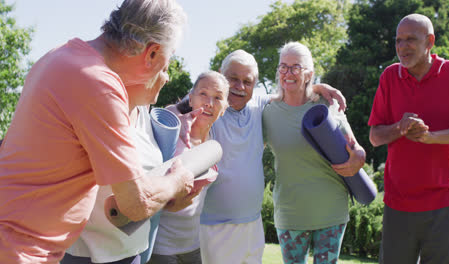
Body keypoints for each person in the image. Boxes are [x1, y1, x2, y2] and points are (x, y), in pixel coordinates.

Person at [0, 1, 195, 263]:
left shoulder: (61, 57)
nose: (166, 75)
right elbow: (135, 203)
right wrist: (176, 182)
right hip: (21, 251)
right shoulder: (99, 83)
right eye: (166, 62)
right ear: (151, 53)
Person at [198, 49, 347, 264]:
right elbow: (183, 106)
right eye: (233, 79)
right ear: (220, 75)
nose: (240, 87)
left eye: (247, 82)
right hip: (215, 226)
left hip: (253, 225)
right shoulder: (206, 107)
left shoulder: (260, 106)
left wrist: (318, 86)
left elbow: (292, 92)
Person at [368, 14, 449, 264]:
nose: (402, 47)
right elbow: (375, 137)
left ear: (430, 41)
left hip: (445, 201)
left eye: (410, 39)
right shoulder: (389, 77)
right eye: (398, 40)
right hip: (398, 203)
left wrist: (430, 137)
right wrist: (400, 128)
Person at [262, 41, 366, 264]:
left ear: (309, 74)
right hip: (290, 214)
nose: (288, 73)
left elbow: (355, 148)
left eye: (296, 67)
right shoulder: (267, 112)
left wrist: (359, 156)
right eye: (283, 67)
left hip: (331, 210)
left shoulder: (327, 107)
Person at [148, 71, 229, 264]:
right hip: (160, 248)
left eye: (218, 98)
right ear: (190, 99)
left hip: (192, 247)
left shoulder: (212, 145)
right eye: (203, 94)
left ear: (224, 108)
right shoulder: (171, 135)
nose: (209, 102)